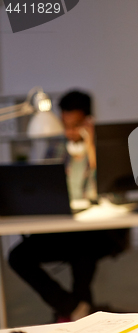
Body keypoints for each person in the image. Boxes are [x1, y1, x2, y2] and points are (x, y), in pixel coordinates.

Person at [8, 90, 129, 323]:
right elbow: (41, 185)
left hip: (99, 230)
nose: (70, 132)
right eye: (65, 125)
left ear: (88, 121)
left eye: (75, 125)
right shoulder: (55, 146)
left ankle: (76, 316)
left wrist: (92, 151)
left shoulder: (105, 148)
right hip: (64, 225)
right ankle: (74, 308)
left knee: (83, 249)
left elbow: (108, 190)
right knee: (18, 257)